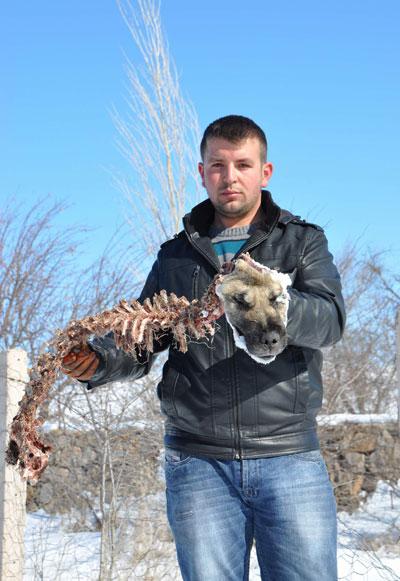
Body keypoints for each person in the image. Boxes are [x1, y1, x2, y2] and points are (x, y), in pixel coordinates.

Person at [62, 115, 346, 581]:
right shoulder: (175, 255)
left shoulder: (301, 242)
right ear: (202, 172)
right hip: (197, 463)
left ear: (264, 172)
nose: (229, 176)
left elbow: (331, 321)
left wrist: (271, 298)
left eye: (242, 164)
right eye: (217, 165)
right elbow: (145, 336)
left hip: (288, 456)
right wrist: (98, 360)